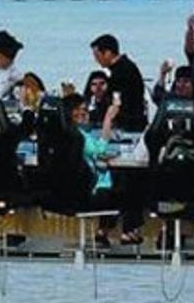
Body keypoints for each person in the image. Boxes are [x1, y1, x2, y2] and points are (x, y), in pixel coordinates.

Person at [63, 93, 125, 247]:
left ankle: (106, 231)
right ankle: (116, 231)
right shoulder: (79, 135)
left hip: (67, 192)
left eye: (85, 109)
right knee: (123, 184)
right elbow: (100, 149)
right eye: (80, 109)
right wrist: (108, 119)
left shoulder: (62, 133)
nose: (84, 113)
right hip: (86, 194)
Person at [89, 34, 148, 132]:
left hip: (128, 125)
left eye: (97, 56)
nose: (96, 60)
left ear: (107, 53)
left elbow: (118, 102)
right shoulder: (124, 67)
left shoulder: (121, 72)